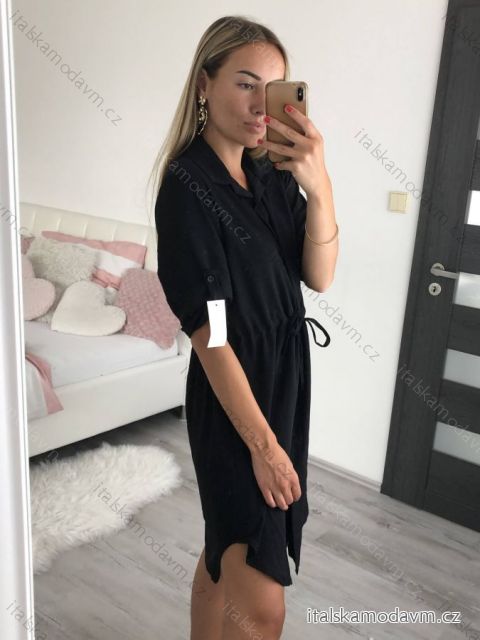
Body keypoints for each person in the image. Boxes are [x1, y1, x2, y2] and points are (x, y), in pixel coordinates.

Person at [150, 15, 339, 640]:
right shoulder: (188, 186)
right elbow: (212, 336)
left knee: (222, 552)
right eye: (245, 83)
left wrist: (319, 186)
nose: (263, 106)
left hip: (284, 384)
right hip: (234, 396)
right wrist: (263, 447)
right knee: (262, 604)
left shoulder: (271, 176)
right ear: (204, 85)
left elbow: (319, 276)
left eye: (274, 88)